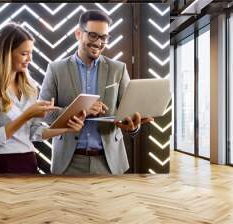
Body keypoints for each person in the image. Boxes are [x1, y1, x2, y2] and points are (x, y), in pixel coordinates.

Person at [39, 10, 154, 175]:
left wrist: (132, 127)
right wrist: (81, 110)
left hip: (109, 162)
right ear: (79, 34)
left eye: (104, 37)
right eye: (93, 35)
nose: (99, 42)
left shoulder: (118, 69)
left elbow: (127, 112)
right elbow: (44, 113)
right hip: (68, 162)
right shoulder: (56, 69)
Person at [0, 23, 86, 174]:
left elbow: (34, 132)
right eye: (24, 54)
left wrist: (66, 128)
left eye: (31, 53)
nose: (29, 59)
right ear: (6, 53)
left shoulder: (29, 85)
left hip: (29, 161)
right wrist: (26, 115)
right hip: (3, 165)